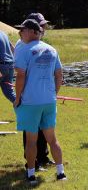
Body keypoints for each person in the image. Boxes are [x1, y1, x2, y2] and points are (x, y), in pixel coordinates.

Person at [13, 19, 66, 185]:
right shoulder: (52, 49)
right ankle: (60, 173)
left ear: (32, 32)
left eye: (23, 30)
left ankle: (30, 175)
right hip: (49, 101)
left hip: (30, 102)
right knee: (52, 139)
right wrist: (54, 93)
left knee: (31, 141)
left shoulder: (24, 50)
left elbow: (20, 76)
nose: (20, 33)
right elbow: (59, 75)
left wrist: (17, 97)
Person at [21, 12, 54, 169]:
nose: (44, 28)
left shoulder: (42, 44)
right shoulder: (23, 44)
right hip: (29, 97)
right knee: (30, 132)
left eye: (44, 25)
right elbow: (21, 73)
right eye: (41, 25)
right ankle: (32, 162)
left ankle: (43, 157)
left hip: (44, 95)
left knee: (44, 128)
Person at [0, 30, 15, 103]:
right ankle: (24, 105)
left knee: (8, 91)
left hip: (1, 66)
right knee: (9, 92)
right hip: (10, 65)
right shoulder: (3, 33)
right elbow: (12, 48)